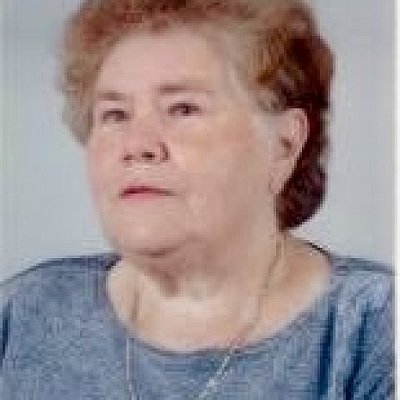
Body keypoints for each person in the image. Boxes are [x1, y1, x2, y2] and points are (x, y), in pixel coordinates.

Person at [0, 0, 394, 399]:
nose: (136, 145)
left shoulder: (373, 331)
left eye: (182, 109)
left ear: (284, 144)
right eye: (115, 114)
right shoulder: (24, 314)